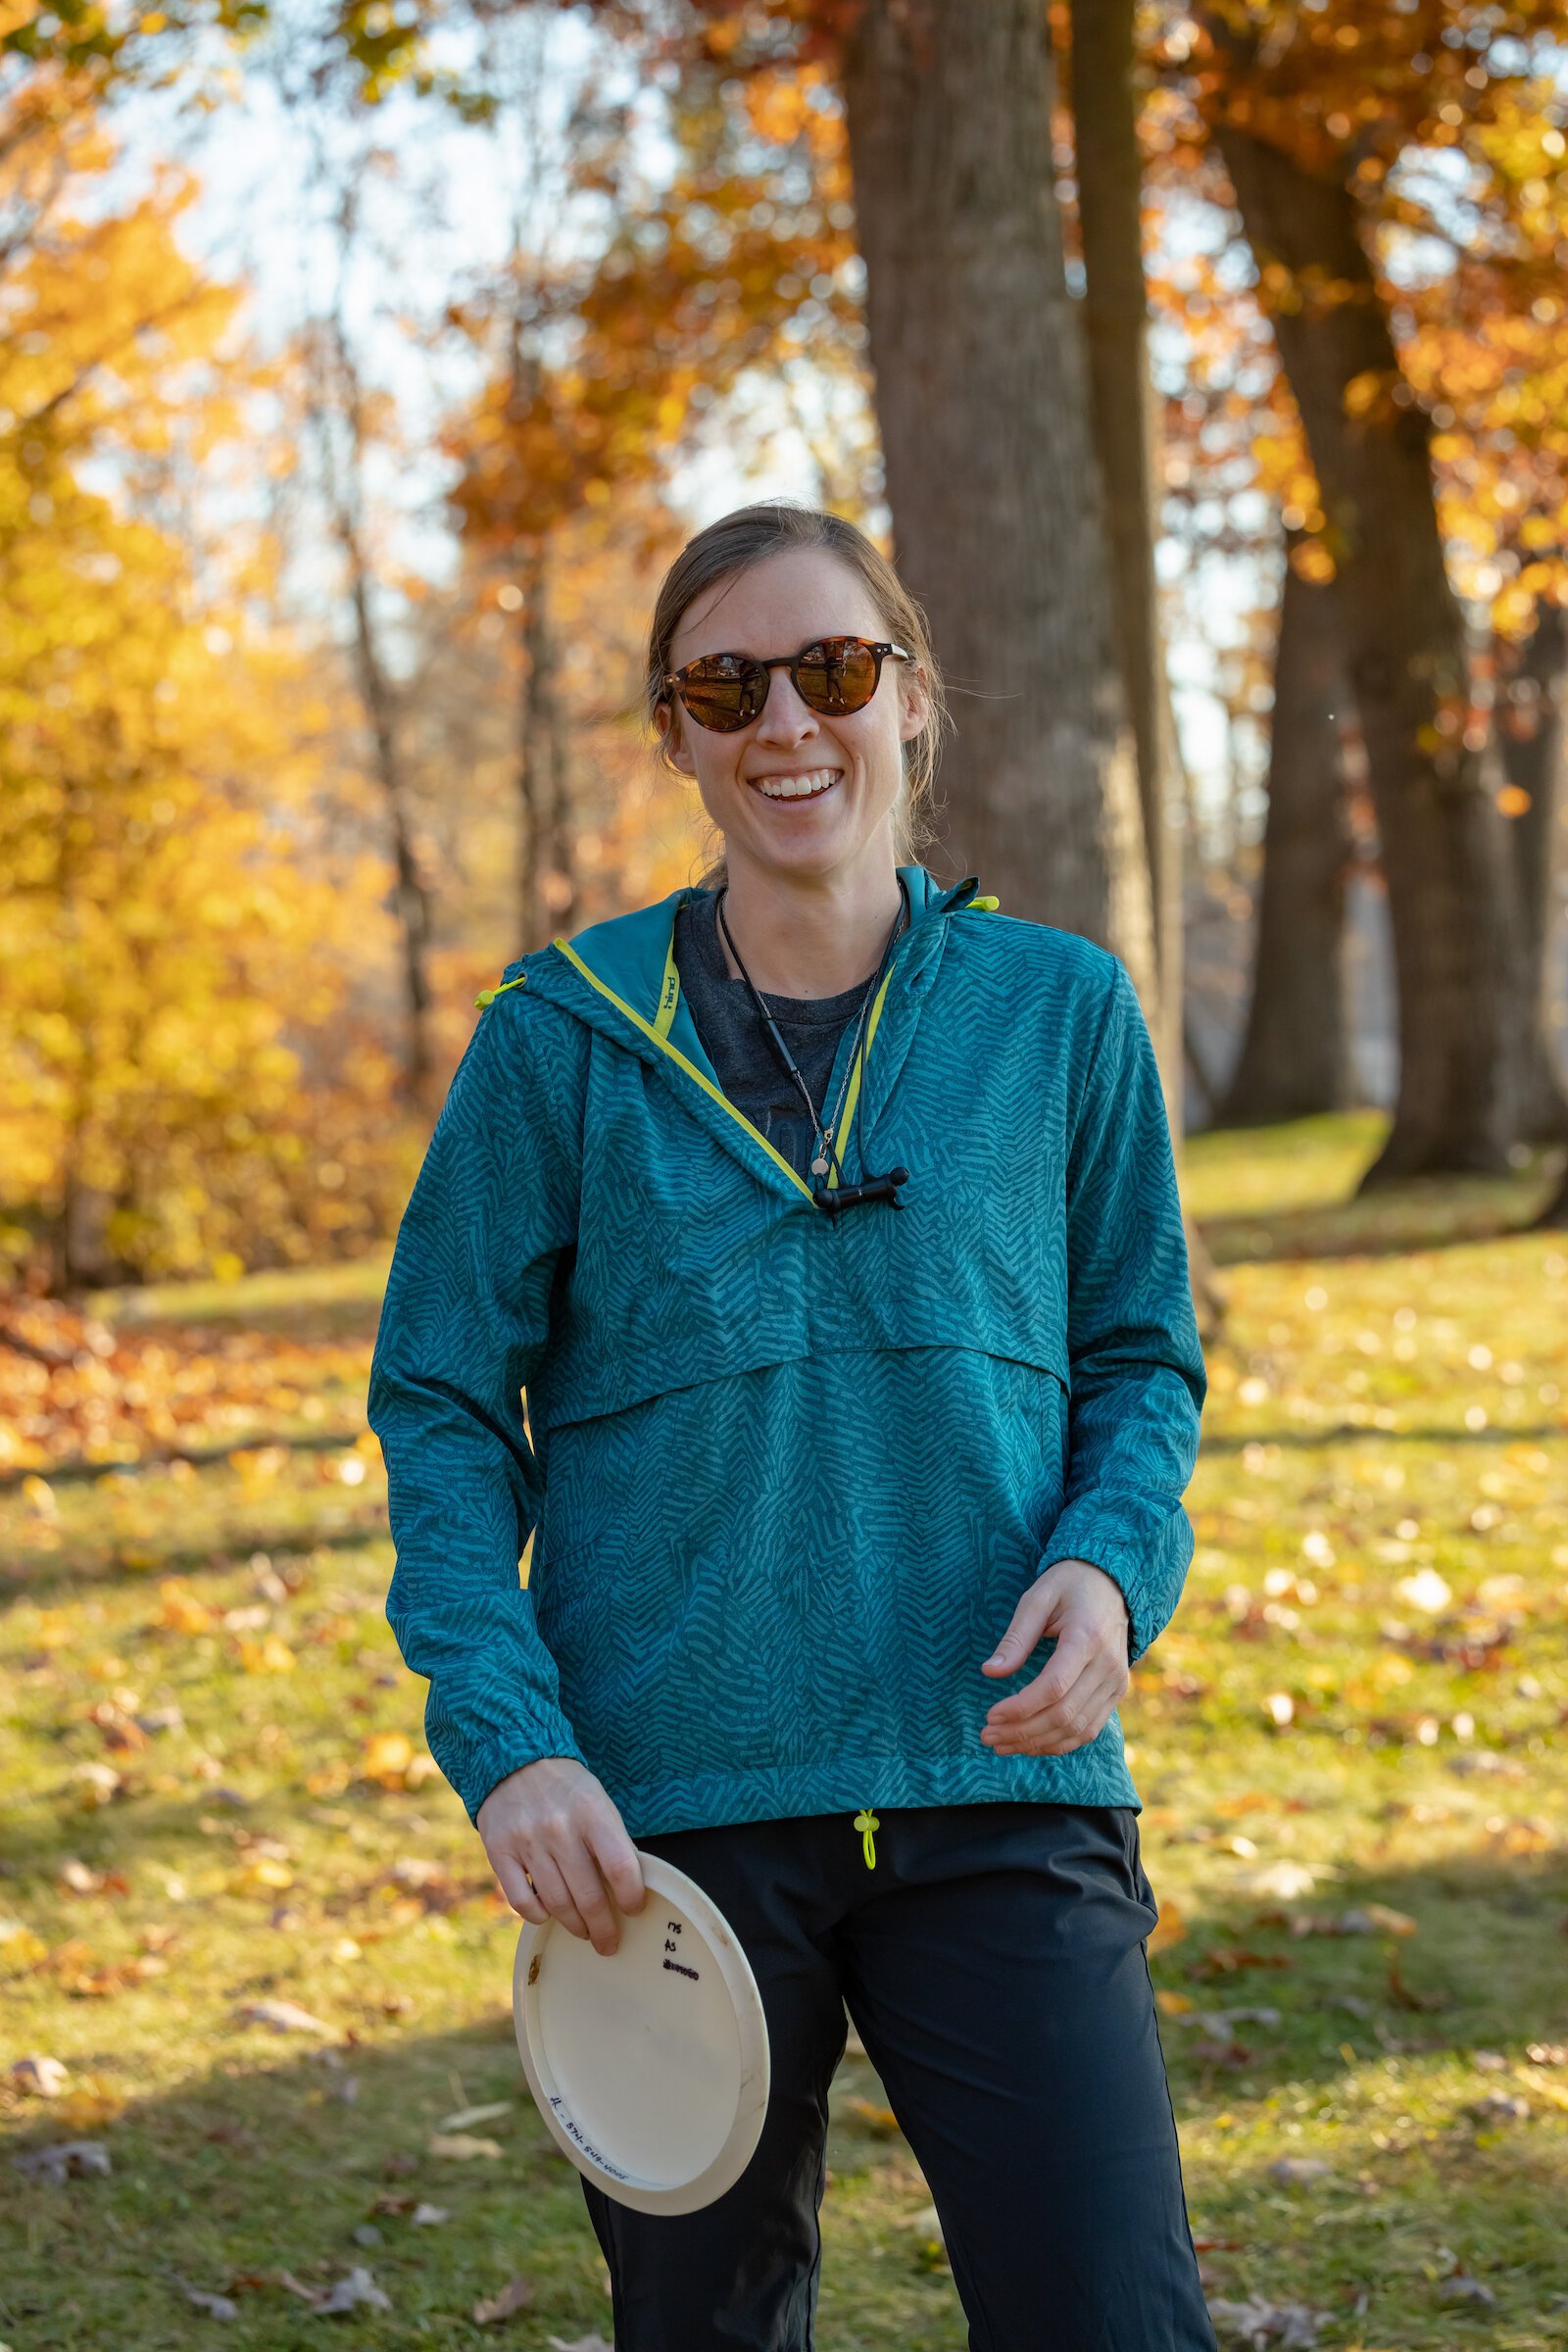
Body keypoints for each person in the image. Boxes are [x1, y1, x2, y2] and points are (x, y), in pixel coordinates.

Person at [368, 502, 1215, 2352]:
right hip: (665, 1835)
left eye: (831, 671)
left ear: (912, 701)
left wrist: (1109, 1564)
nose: (785, 725)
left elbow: (1143, 1356)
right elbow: (440, 1397)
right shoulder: (557, 1039)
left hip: (998, 1781)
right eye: (725, 685)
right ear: (673, 730)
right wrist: (510, 1743)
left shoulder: (1063, 1013)